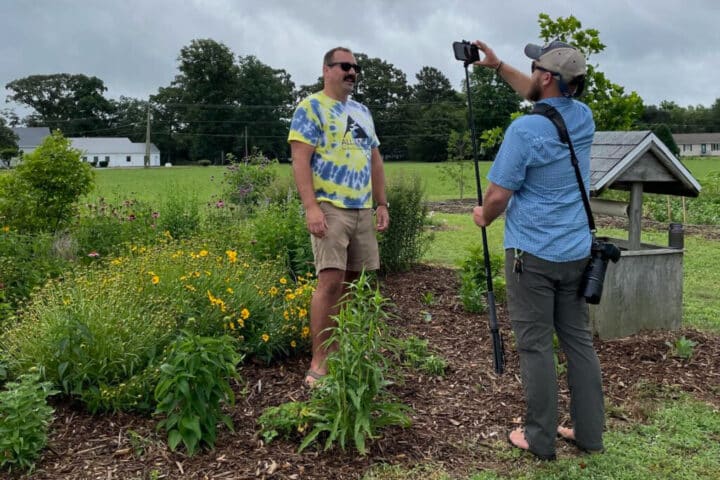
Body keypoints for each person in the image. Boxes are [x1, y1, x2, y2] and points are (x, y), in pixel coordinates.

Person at [470, 39, 604, 460]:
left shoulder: (524, 131)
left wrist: (483, 217)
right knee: (578, 342)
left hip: (532, 255)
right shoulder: (583, 118)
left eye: (535, 67)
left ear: (547, 77)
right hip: (576, 251)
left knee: (535, 346)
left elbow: (497, 196)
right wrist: (498, 66)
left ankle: (540, 438)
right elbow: (542, 101)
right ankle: (589, 434)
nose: (529, 73)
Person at [288, 47, 389, 387]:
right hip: (331, 206)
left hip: (362, 208)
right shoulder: (310, 107)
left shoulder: (361, 112)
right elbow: (300, 160)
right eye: (345, 66)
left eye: (356, 67)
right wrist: (311, 207)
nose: (352, 72)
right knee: (330, 283)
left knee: (355, 285)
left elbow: (374, 159)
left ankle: (343, 349)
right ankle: (320, 360)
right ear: (326, 69)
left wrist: (381, 203)